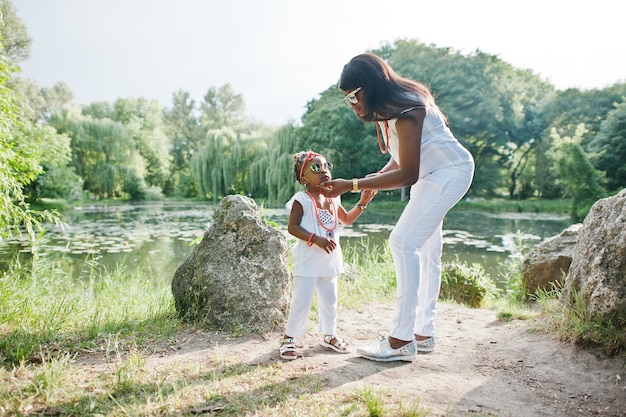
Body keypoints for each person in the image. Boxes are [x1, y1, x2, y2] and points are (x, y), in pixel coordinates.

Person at [318, 53, 475, 362]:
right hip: (436, 174)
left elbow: (408, 173)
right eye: (346, 98)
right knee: (427, 251)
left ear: (370, 86)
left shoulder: (407, 110)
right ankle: (423, 333)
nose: (351, 104)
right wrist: (375, 178)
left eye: (353, 95)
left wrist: (352, 184)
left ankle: (400, 339)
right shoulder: (393, 109)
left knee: (403, 242)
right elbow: (402, 156)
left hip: (449, 173)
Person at [280, 150, 377, 360]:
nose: (323, 170)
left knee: (330, 300)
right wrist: (316, 239)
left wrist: (363, 202)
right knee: (302, 300)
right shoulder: (301, 200)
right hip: (307, 262)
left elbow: (347, 220)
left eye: (326, 166)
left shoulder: (334, 198)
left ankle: (329, 335)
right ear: (303, 178)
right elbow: (292, 227)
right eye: (316, 167)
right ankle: (289, 338)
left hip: (330, 261)